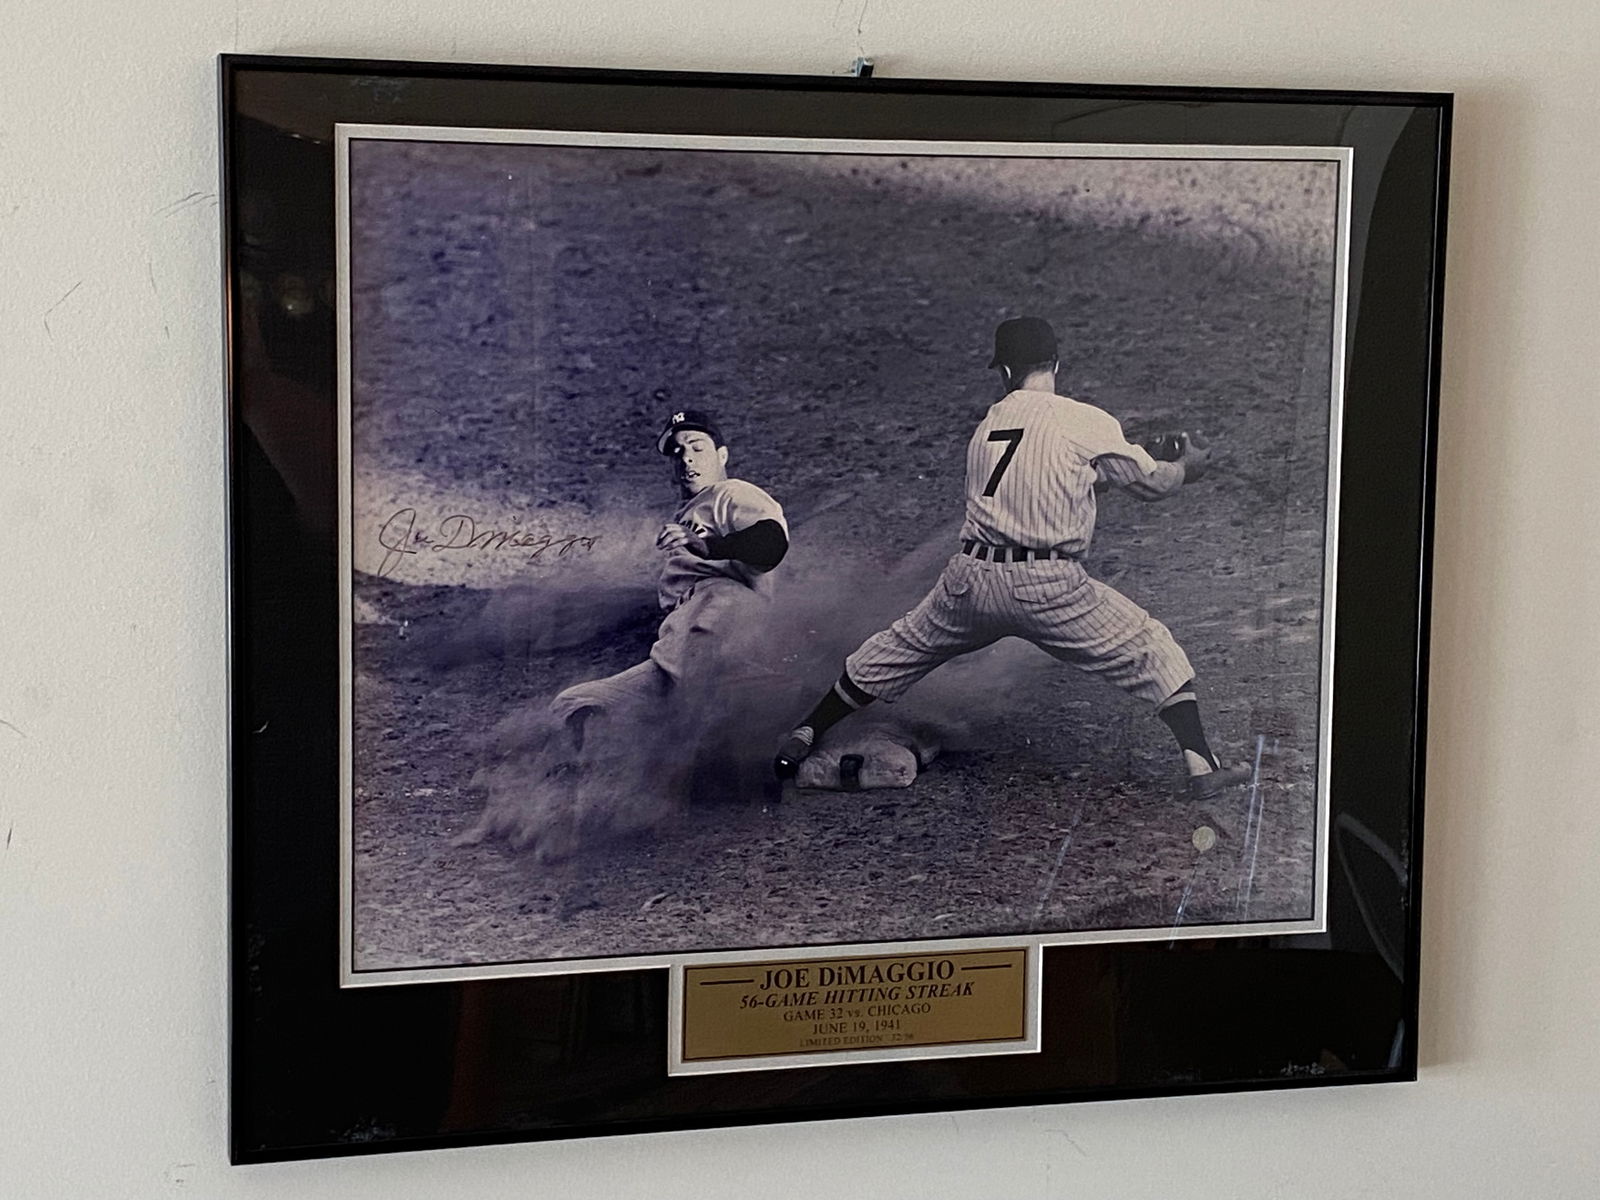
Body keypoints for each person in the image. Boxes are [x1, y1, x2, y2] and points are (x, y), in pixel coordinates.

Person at [774, 316, 1249, 820]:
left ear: (1004, 370)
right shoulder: (1083, 419)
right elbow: (1151, 485)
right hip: (1049, 590)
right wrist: (1184, 468)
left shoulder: (988, 428)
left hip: (969, 584)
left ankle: (808, 728)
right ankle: (1202, 765)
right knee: (1152, 646)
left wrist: (1114, 464)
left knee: (897, 647)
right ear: (1056, 363)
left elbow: (1046, 487)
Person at [548, 408, 790, 741]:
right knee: (573, 703)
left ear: (722, 455)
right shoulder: (690, 511)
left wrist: (706, 545)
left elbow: (771, 543)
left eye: (697, 447)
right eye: (678, 452)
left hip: (722, 611)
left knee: (701, 711)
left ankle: (781, 720)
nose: (686, 458)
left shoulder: (733, 492)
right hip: (678, 640)